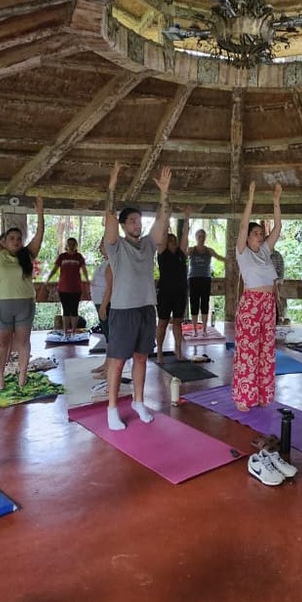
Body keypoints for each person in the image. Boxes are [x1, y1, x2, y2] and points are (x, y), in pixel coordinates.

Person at [233, 183, 297, 487]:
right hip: (250, 304)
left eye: (260, 234)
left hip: (267, 304)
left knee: (264, 351)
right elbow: (244, 223)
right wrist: (249, 199)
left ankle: (261, 393)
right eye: (255, 233)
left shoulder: (266, 252)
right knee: (247, 352)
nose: (259, 236)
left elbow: (279, 227)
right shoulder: (243, 252)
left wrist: (275, 202)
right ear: (247, 238)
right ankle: (243, 396)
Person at [103, 162, 172, 430]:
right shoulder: (115, 246)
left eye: (139, 221)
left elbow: (162, 221)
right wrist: (112, 185)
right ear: (122, 225)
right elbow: (109, 216)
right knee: (118, 361)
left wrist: (164, 193)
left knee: (142, 357)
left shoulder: (147, 244)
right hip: (123, 310)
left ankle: (138, 401)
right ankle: (111, 408)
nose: (137, 224)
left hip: (146, 309)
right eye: (132, 221)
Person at [0, 194, 46, 389]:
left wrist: (40, 212)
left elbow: (39, 235)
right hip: (0, 304)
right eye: (12, 238)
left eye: (19, 238)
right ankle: (0, 376)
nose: (16, 241)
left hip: (25, 304)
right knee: (1, 343)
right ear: (4, 241)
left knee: (23, 342)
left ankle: (22, 375)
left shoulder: (28, 255)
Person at [186, 223, 224, 335]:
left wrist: (231, 259)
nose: (201, 238)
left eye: (203, 236)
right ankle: (194, 329)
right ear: (196, 237)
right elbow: (182, 255)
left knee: (204, 303)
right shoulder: (191, 250)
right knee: (194, 303)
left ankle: (204, 329)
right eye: (199, 236)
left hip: (205, 279)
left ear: (205, 238)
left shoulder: (209, 251)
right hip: (193, 278)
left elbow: (220, 258)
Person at [155, 232, 188, 361]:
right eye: (170, 241)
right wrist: (166, 216)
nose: (173, 243)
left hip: (180, 293)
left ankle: (178, 350)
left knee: (177, 323)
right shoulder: (162, 254)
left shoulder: (181, 254)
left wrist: (186, 218)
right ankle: (159, 352)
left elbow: (185, 236)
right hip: (165, 293)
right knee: (162, 322)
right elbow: (161, 238)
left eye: (174, 240)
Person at [47, 237, 89, 336]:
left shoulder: (79, 257)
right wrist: (48, 279)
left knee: (74, 310)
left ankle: (74, 331)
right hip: (63, 288)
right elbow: (55, 269)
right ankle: (66, 331)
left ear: (76, 245)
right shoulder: (62, 256)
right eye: (69, 243)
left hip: (76, 288)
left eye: (73, 243)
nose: (71, 245)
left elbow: (84, 270)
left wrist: (87, 280)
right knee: (66, 310)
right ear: (66, 245)